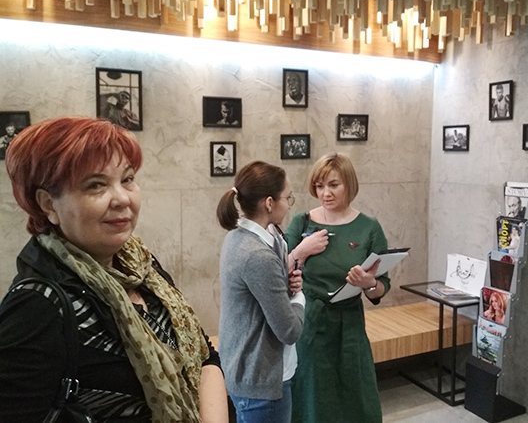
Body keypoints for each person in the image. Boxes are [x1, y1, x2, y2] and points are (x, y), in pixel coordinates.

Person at [0, 117, 228, 422]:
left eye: (128, 179)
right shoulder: (36, 306)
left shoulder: (142, 267)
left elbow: (204, 356)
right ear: (48, 204)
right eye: (96, 185)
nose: (122, 198)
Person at [285, 152, 389, 423]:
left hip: (350, 323)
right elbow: (276, 269)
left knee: (354, 395)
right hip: (310, 321)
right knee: (311, 394)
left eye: (333, 185)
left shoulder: (368, 227)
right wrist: (301, 251)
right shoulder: (302, 222)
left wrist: (369, 284)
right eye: (319, 186)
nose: (325, 193)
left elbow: (381, 288)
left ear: (349, 184)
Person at [217, 160, 305, 423]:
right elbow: (289, 330)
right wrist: (299, 297)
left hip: (244, 369)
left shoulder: (237, 236)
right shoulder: (257, 255)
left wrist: (284, 284)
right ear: (269, 203)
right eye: (287, 198)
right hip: (261, 380)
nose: (289, 205)